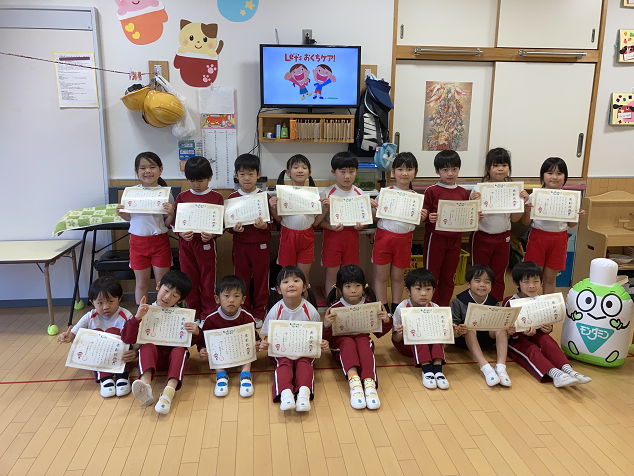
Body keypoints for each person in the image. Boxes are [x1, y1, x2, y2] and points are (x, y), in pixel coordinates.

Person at [504, 261, 591, 387]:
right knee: (531, 349)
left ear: (541, 282)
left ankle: (569, 370)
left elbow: (544, 326)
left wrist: (547, 329)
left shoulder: (542, 301)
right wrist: (518, 332)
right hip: (515, 342)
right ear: (516, 283)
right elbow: (507, 332)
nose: (532, 286)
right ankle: (556, 374)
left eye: (536, 281)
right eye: (526, 282)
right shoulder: (510, 302)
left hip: (534, 336)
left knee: (546, 339)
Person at [121, 270, 195, 415]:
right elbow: (126, 338)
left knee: (181, 350)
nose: (167, 297)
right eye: (166, 290)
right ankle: (146, 386)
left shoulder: (184, 315)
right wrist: (136, 319)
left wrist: (196, 332)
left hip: (173, 361)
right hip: (153, 360)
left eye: (174, 295)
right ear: (158, 286)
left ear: (179, 300)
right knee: (147, 347)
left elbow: (191, 342)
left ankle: (168, 392)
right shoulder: (145, 310)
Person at [258, 266, 327, 412]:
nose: (291, 284)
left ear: (304, 287)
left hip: (304, 350)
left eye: (296, 280)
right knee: (283, 363)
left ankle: (303, 394)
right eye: (285, 281)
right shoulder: (276, 310)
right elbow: (267, 336)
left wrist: (322, 343)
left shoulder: (311, 311)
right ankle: (286, 394)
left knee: (304, 363)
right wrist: (265, 343)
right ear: (278, 289)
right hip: (282, 351)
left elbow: (316, 336)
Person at [323, 265, 391, 410]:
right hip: (341, 348)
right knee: (347, 341)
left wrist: (385, 321)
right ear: (340, 289)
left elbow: (379, 333)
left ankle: (369, 383)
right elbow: (326, 337)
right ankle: (354, 382)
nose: (353, 290)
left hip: (363, 346)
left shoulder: (369, 306)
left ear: (364, 287)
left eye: (357, 285)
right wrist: (326, 325)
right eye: (348, 286)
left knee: (362, 340)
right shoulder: (334, 308)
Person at [57, 276, 136, 398]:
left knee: (119, 335)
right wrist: (68, 337)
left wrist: (134, 351)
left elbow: (135, 337)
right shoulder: (90, 316)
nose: (105, 307)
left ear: (120, 298)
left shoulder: (126, 315)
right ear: (92, 302)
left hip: (120, 356)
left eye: (110, 301)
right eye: (100, 303)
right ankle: (105, 379)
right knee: (95, 336)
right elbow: (75, 331)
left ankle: (122, 376)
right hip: (99, 357)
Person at [469, 148, 529, 301]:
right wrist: (473, 206)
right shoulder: (478, 189)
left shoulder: (514, 190)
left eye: (504, 165)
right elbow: (471, 218)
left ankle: (495, 306)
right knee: (479, 274)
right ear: (488, 168)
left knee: (498, 274)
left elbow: (515, 219)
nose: (500, 169)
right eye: (496, 165)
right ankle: (478, 305)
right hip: (481, 237)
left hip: (503, 238)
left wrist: (522, 202)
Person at [116, 152, 175, 305]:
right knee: (141, 284)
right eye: (142, 168)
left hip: (159, 242)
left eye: (152, 167)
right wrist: (122, 214)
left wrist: (171, 213)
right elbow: (131, 218)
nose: (147, 171)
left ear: (160, 170)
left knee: (163, 284)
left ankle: (163, 314)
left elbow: (167, 224)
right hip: (137, 242)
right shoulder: (132, 193)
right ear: (137, 172)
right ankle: (141, 317)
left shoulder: (166, 193)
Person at [372, 152, 428, 315]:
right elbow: (376, 218)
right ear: (393, 172)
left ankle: (396, 306)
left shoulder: (417, 198)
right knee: (381, 276)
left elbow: (415, 221)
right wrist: (372, 208)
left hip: (404, 240)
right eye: (400, 169)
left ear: (415, 173)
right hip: (384, 237)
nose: (404, 173)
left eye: (409, 169)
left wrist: (422, 217)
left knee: (398, 276)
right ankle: (382, 306)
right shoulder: (385, 192)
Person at [522, 157, 586, 295]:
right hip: (538, 238)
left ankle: (548, 310)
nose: (554, 177)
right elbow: (526, 223)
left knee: (550, 278)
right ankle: (531, 308)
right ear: (543, 175)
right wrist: (526, 211)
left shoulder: (570, 197)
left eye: (559, 173)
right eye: (550, 173)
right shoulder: (534, 196)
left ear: (565, 176)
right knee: (533, 277)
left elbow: (571, 224)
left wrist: (577, 216)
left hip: (559, 239)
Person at [174, 156, 224, 321]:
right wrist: (180, 233)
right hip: (186, 245)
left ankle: (208, 314)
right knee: (189, 279)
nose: (196, 185)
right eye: (192, 180)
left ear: (210, 177)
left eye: (200, 180)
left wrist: (213, 235)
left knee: (208, 280)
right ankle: (192, 314)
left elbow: (221, 225)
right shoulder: (182, 197)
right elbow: (175, 223)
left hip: (206, 245)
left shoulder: (216, 198)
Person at [423, 150, 476, 306]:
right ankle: (430, 305)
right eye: (445, 170)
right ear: (437, 171)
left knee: (449, 275)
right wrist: (428, 218)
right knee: (432, 274)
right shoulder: (431, 191)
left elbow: (465, 216)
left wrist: (474, 216)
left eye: (454, 169)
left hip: (455, 239)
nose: (450, 173)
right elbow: (423, 215)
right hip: (436, 238)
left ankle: (444, 305)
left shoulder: (462, 192)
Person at [319, 152, 375, 293]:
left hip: (352, 238)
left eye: (351, 171)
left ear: (356, 172)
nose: (347, 176)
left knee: (350, 273)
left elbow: (366, 223)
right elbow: (317, 222)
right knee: (332, 272)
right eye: (342, 172)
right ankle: (331, 302)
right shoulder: (327, 193)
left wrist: (361, 226)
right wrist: (330, 226)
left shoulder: (360, 193)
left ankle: (347, 302)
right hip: (332, 238)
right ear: (334, 172)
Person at [196, 275, 260, 398]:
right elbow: (202, 339)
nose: (231, 300)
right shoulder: (211, 318)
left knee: (248, 342)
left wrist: (257, 344)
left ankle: (245, 375)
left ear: (243, 299)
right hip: (221, 355)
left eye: (236, 296)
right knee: (214, 341)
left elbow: (255, 337)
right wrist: (202, 349)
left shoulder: (247, 317)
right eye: (226, 296)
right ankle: (221, 376)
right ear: (217, 299)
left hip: (241, 353)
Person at [269, 155, 326, 289]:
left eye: (304, 168)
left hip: (307, 236)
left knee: (303, 276)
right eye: (296, 167)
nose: (300, 170)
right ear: (288, 172)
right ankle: (288, 304)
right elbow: (279, 219)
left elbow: (316, 222)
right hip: (287, 235)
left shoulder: (315, 195)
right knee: (288, 275)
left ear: (309, 173)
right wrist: (272, 208)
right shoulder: (282, 194)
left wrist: (326, 208)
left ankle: (304, 304)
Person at [227, 154, 271, 328]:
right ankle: (243, 311)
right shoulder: (232, 198)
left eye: (251, 174)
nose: (247, 178)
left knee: (261, 280)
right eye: (242, 174)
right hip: (240, 245)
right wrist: (233, 229)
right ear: (237, 175)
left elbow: (272, 224)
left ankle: (260, 312)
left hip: (261, 245)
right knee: (241, 280)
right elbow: (228, 225)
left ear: (258, 175)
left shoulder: (264, 197)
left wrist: (263, 227)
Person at [451, 265, 513, 387]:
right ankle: (485, 367)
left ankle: (501, 367)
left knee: (500, 327)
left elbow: (498, 324)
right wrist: (458, 329)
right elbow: (452, 326)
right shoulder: (458, 301)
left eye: (487, 282)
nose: (482, 285)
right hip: (465, 340)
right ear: (468, 284)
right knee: (470, 329)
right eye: (478, 280)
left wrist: (508, 330)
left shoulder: (493, 302)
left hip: (487, 338)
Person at [391, 268, 450, 390]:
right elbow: (395, 339)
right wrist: (401, 332)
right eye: (418, 289)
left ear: (433, 291)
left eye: (428, 289)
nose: (423, 293)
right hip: (406, 347)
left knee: (436, 334)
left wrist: (449, 330)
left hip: (430, 347)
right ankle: (427, 371)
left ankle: (438, 371)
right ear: (408, 291)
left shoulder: (436, 308)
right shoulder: (402, 307)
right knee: (419, 333)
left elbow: (444, 336)